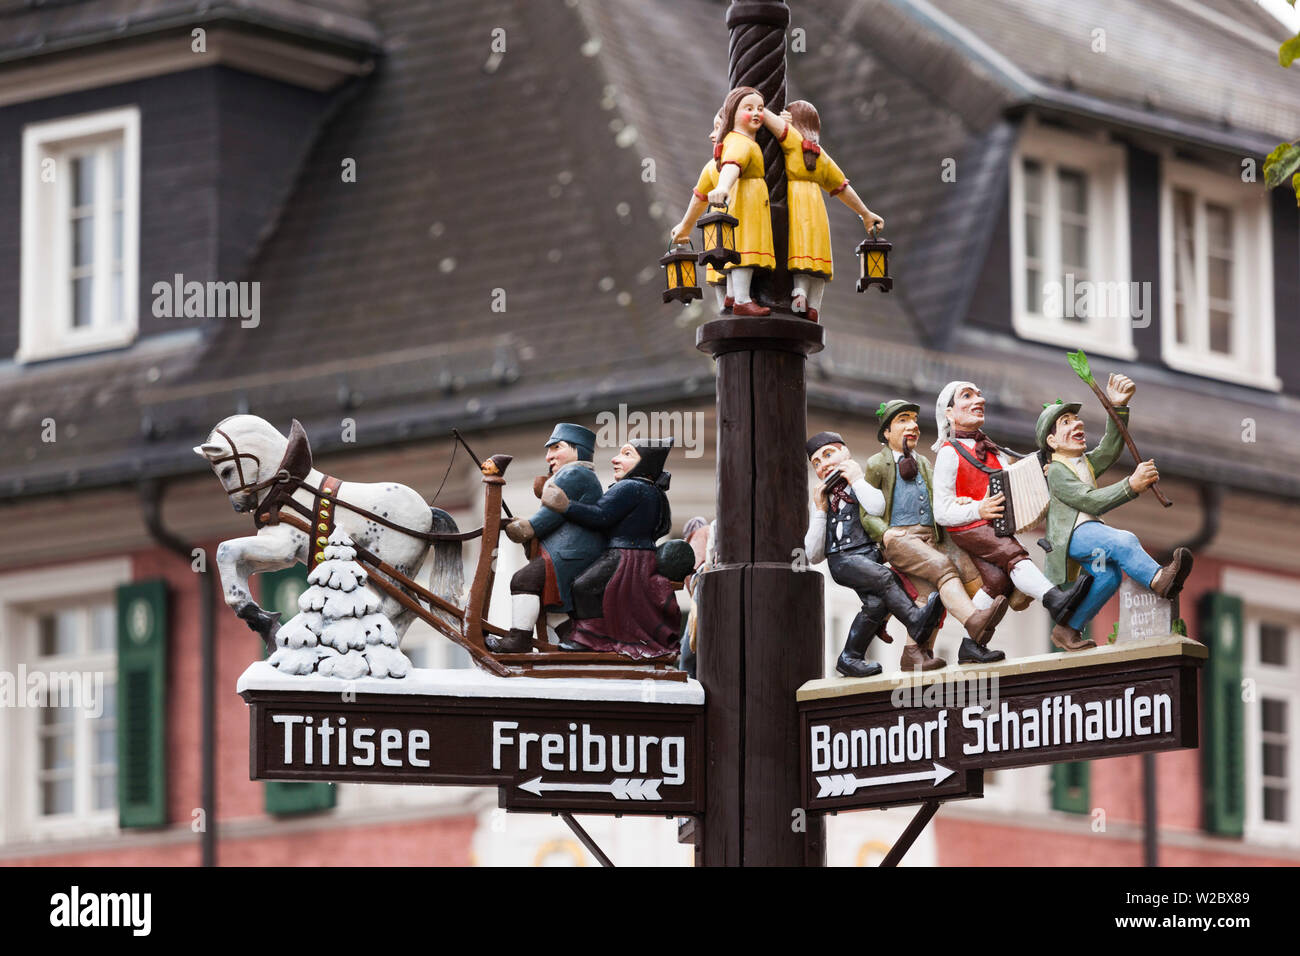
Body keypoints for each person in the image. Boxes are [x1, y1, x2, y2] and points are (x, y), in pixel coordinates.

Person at [1036, 376, 1193, 650]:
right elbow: (1091, 502)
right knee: (1124, 541)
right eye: (1066, 422)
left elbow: (1109, 448)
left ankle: (1067, 630)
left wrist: (1118, 408)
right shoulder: (1058, 472)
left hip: (1086, 532)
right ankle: (1158, 580)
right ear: (1051, 440)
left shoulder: (1079, 462)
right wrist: (1131, 485)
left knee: (1108, 578)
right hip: (1075, 536)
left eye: (1076, 418)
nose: (1078, 424)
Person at [931, 380, 1093, 630]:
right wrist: (978, 509)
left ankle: (971, 643)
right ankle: (1054, 599)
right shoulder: (949, 452)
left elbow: (1013, 481)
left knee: (998, 582)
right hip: (970, 526)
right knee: (1014, 555)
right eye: (967, 396)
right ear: (949, 413)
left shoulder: (993, 449)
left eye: (979, 395)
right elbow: (941, 511)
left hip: (994, 520)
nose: (979, 400)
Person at [863, 400, 1008, 669]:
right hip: (900, 537)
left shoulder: (924, 463)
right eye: (903, 420)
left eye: (914, 420)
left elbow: (939, 500)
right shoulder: (877, 465)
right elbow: (867, 511)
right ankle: (974, 620)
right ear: (886, 432)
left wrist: (961, 502)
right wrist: (884, 534)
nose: (913, 426)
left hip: (931, 536)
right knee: (944, 568)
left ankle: (915, 654)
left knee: (929, 597)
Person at [805, 431, 944, 678]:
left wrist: (857, 479)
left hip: (869, 555)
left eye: (828, 455)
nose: (823, 464)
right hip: (843, 561)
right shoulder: (824, 501)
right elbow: (813, 554)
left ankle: (850, 656)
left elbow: (877, 507)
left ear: (844, 453)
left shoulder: (861, 484)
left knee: (876, 605)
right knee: (885, 578)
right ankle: (915, 621)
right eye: (816, 463)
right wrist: (819, 511)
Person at [540, 439, 682, 658]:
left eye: (627, 454)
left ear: (645, 462)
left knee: (583, 586)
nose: (615, 459)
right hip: (642, 554)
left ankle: (590, 639)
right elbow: (663, 527)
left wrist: (565, 505)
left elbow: (600, 515)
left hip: (625, 555)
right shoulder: (654, 491)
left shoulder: (630, 487)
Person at [758, 101, 884, 322]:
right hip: (816, 208)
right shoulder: (821, 155)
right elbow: (842, 187)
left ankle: (799, 292)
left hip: (795, 204)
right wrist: (864, 212)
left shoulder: (793, 139)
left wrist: (776, 116)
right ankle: (814, 306)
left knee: (799, 247)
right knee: (817, 254)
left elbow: (763, 114)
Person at [488, 424, 605, 654]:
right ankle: (576, 640)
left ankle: (519, 639)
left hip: (572, 553)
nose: (548, 456)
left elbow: (552, 514)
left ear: (577, 450)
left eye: (556, 448)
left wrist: (528, 527)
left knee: (523, 580)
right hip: (568, 550)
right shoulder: (573, 475)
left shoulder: (575, 473)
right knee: (553, 606)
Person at [707, 86, 776, 316]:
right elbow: (732, 165)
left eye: (760, 109)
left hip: (751, 201)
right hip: (746, 204)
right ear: (733, 114)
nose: (756, 113)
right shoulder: (739, 142)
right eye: (749, 108)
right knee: (745, 250)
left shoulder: (745, 140)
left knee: (741, 247)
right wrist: (723, 186)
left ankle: (733, 295)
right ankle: (742, 299)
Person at [671, 111, 730, 313]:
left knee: (740, 268)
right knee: (720, 275)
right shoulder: (712, 168)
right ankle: (725, 308)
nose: (711, 135)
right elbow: (699, 198)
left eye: (717, 128)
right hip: (720, 232)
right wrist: (685, 227)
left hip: (738, 228)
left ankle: (739, 301)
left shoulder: (746, 156)